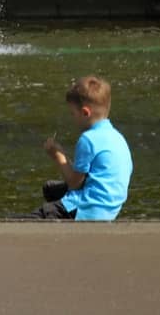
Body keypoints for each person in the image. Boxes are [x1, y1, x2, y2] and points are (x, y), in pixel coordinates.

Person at [33, 75, 133, 221]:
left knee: (24, 221)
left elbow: (74, 184)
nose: (72, 118)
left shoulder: (88, 139)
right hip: (109, 206)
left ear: (85, 113)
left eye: (73, 113)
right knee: (50, 189)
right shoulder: (117, 137)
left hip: (88, 208)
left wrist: (58, 155)